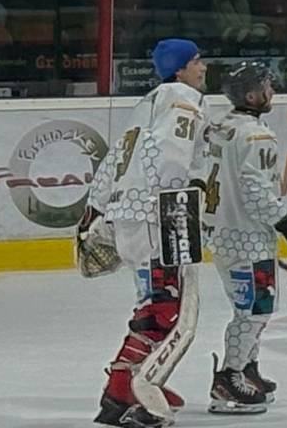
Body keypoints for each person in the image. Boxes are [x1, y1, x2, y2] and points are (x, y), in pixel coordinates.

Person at [85, 38, 215, 427]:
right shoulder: (182, 97)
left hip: (128, 212)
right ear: (179, 69)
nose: (203, 67)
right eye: (196, 61)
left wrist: (98, 208)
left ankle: (124, 382)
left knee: (151, 301)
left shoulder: (147, 103)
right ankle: (131, 387)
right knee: (165, 306)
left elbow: (113, 160)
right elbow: (171, 149)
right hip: (158, 211)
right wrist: (183, 191)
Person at [206, 63, 287, 415]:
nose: (272, 91)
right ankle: (229, 377)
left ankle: (248, 368)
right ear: (252, 94)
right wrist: (286, 219)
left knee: (249, 307)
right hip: (248, 238)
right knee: (255, 309)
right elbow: (256, 193)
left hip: (223, 234)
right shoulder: (256, 135)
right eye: (267, 86)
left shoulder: (219, 126)